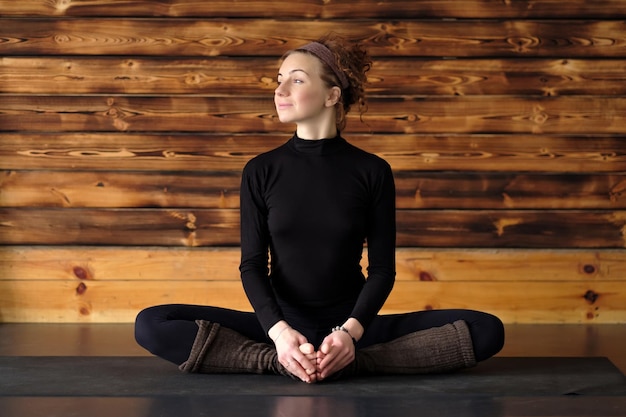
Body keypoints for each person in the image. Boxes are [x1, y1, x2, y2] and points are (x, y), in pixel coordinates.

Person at [134, 34, 505, 384]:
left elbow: (381, 270)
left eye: (295, 80)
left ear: (331, 95)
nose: (279, 91)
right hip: (279, 327)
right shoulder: (261, 171)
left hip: (354, 327)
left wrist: (350, 334)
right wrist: (279, 335)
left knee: (487, 329)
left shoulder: (372, 171)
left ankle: (349, 360)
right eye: (278, 80)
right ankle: (283, 362)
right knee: (151, 323)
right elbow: (251, 265)